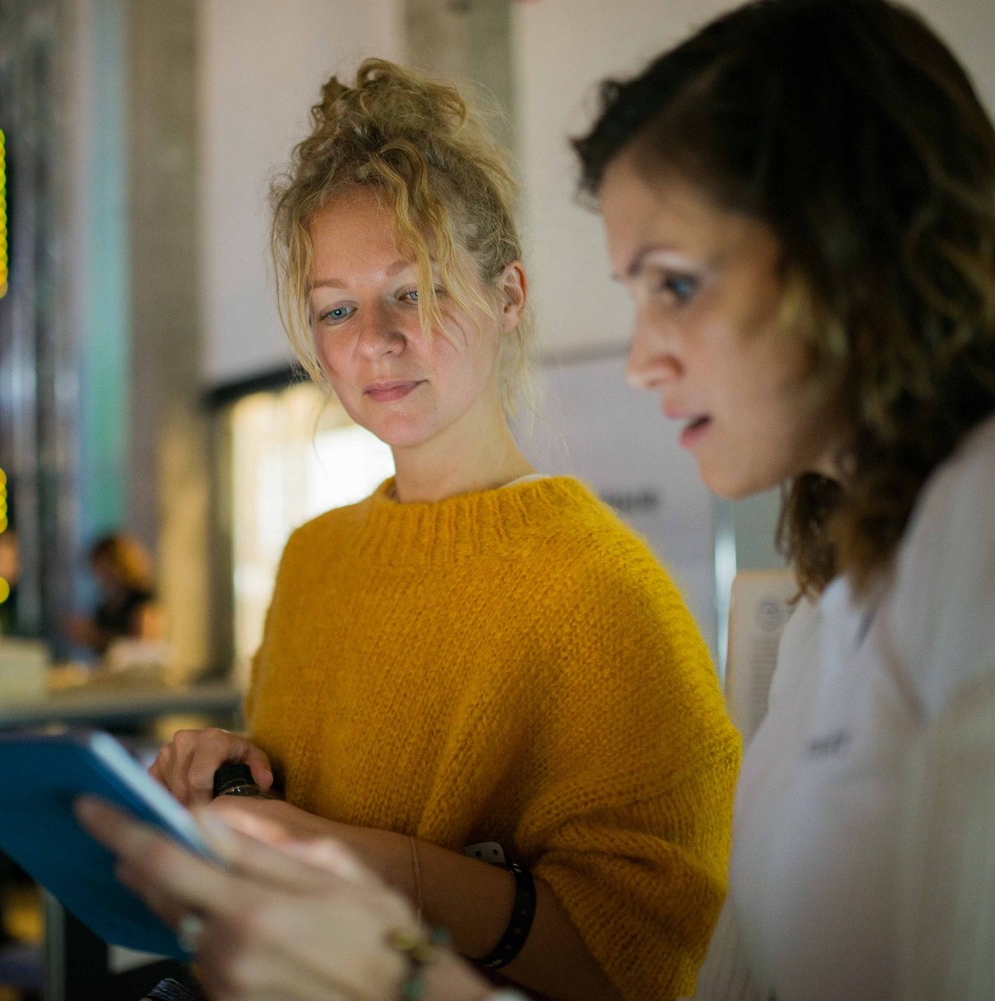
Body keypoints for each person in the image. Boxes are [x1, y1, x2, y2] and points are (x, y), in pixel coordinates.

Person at [79, 1, 995, 999]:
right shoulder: (850, 594)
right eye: (335, 309)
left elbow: (659, 953)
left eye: (677, 285)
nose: (643, 354)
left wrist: (400, 969)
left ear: (852, 252)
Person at [144, 58, 740, 1001]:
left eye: (415, 289)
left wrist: (371, 867)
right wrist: (233, 777)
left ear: (509, 295)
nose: (374, 338)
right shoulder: (312, 560)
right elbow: (299, 807)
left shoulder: (603, 590)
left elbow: (644, 961)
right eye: (337, 308)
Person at [67, 531, 162, 657]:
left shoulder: (142, 599)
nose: (100, 574)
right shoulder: (105, 605)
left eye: (104, 566)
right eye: (97, 567)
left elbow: (145, 647)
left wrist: (94, 636)